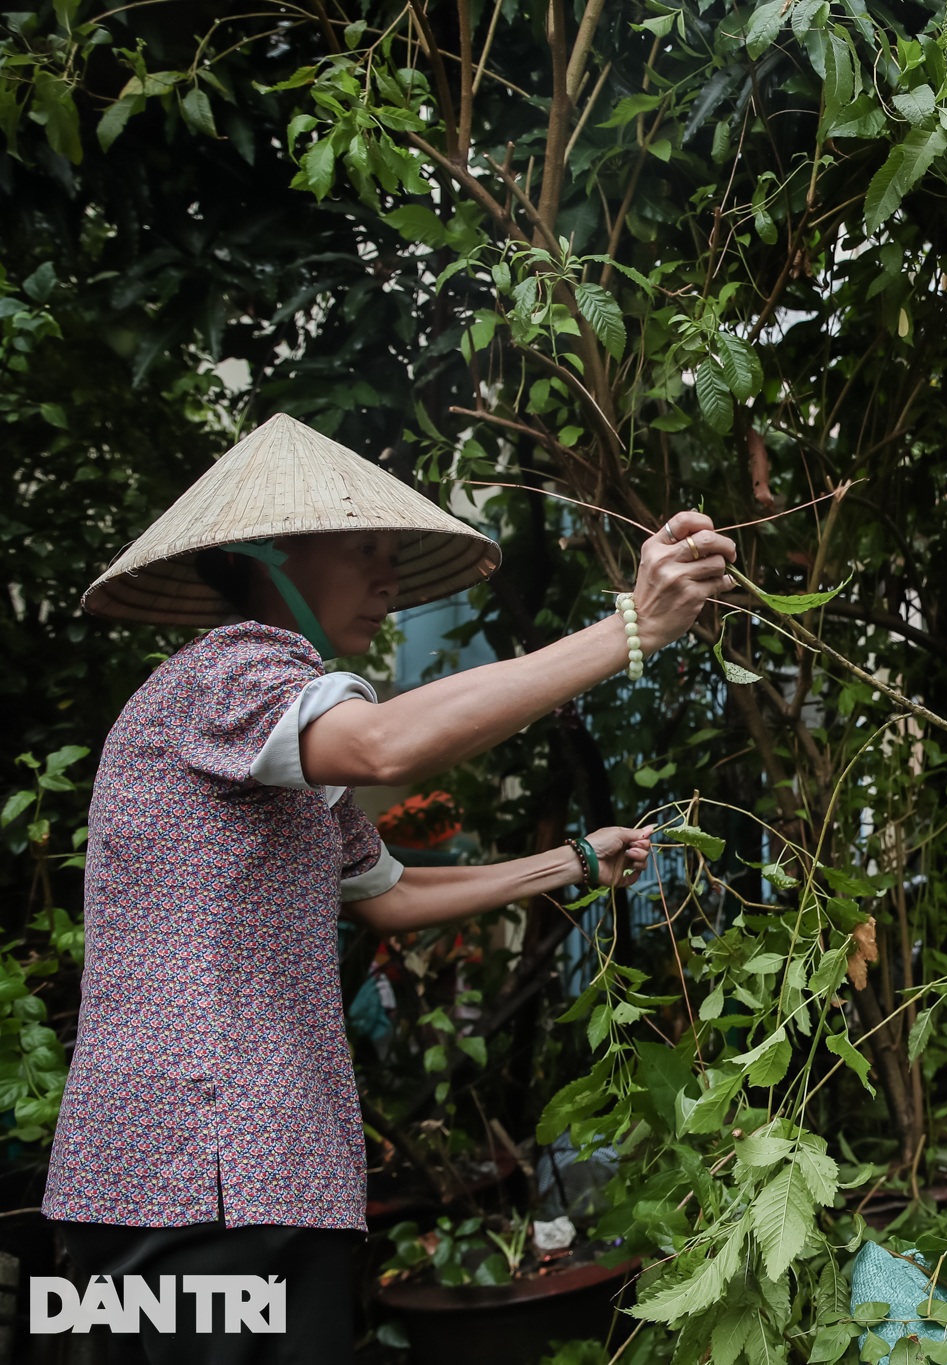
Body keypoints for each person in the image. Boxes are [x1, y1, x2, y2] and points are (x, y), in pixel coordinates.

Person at [46, 414, 736, 1362]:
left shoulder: (279, 749)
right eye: (364, 551)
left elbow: (388, 895)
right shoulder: (231, 671)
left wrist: (575, 861)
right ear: (268, 554)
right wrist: (633, 628)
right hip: (196, 1166)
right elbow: (383, 742)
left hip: (232, 1169)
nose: (387, 582)